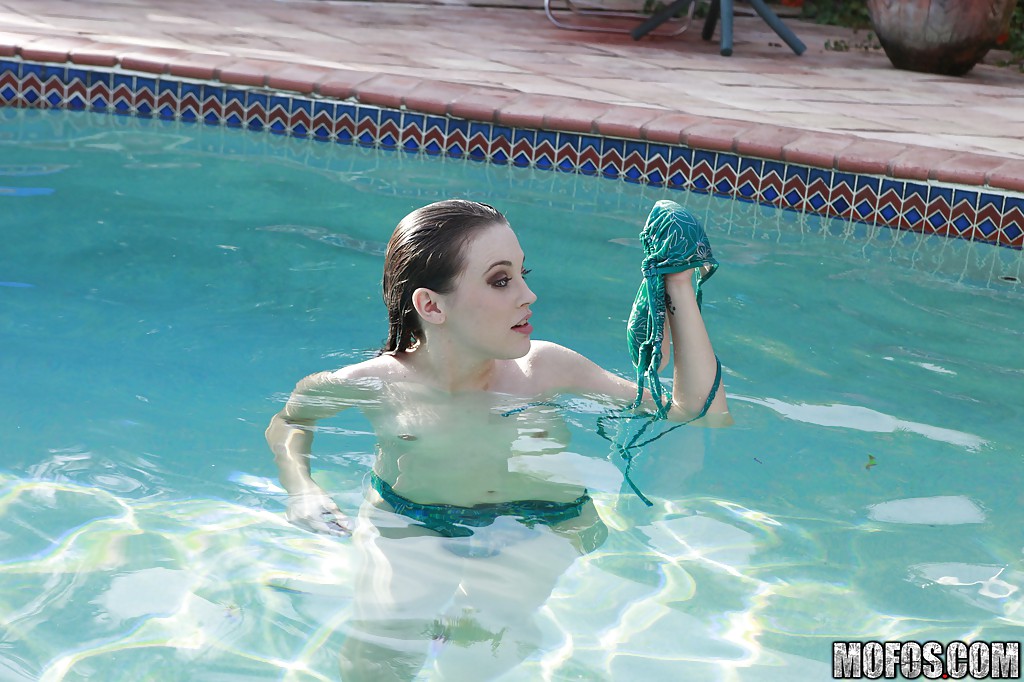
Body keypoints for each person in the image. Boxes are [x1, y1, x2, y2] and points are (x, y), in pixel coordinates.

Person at [264, 199, 731, 681]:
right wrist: (302, 489)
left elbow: (699, 415)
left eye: (523, 274)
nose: (529, 295)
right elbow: (291, 421)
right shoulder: (373, 384)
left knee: (474, 654)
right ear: (431, 306)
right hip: (413, 517)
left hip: (540, 521)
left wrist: (678, 286)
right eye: (501, 280)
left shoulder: (545, 369)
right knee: (376, 656)